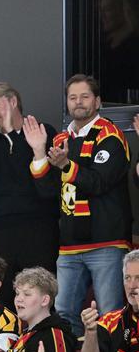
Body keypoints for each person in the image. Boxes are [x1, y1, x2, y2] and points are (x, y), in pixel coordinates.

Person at [24, 74, 130, 337]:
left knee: (110, 316)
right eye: (73, 97)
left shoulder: (111, 136)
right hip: (69, 247)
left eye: (84, 96)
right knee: (63, 317)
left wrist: (66, 166)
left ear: (98, 102)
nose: (78, 102)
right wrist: (39, 152)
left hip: (107, 243)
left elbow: (99, 182)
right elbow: (48, 191)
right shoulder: (61, 140)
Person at [0, 83, 59, 307]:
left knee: (38, 294)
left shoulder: (42, 131)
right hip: (3, 227)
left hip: (38, 226)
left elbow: (25, 170)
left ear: (12, 102)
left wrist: (12, 132)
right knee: (2, 297)